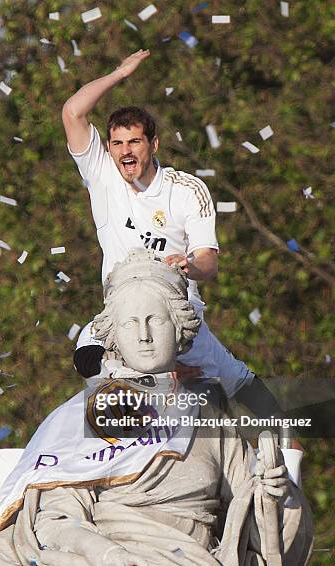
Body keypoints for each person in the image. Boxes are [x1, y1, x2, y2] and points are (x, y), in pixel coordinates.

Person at [0, 251, 312, 566]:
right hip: (101, 561)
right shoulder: (83, 414)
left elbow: (258, 522)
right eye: (131, 323)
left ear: (180, 328)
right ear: (113, 335)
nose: (144, 336)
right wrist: (97, 548)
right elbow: (56, 516)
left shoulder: (212, 418)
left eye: (156, 320)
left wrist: (278, 494)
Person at [61, 49, 286, 421]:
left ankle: (289, 454)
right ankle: (158, 380)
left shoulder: (185, 189)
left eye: (134, 142)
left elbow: (208, 263)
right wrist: (119, 72)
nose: (125, 151)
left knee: (254, 395)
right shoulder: (102, 174)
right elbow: (72, 112)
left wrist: (189, 266)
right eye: (117, 144)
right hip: (121, 310)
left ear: (154, 144)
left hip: (179, 313)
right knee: (86, 356)